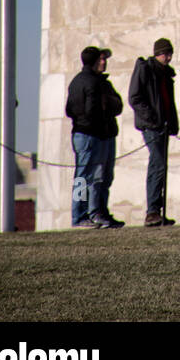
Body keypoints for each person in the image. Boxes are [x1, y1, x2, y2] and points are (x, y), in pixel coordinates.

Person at [129, 37, 179, 227]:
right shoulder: (145, 69)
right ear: (157, 53)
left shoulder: (166, 74)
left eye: (170, 53)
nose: (168, 57)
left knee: (161, 167)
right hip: (152, 127)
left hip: (163, 127)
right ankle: (152, 212)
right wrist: (152, 119)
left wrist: (171, 124)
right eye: (166, 53)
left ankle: (158, 211)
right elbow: (135, 97)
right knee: (157, 165)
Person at [66, 45, 111, 228]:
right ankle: (80, 216)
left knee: (82, 177)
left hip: (78, 132)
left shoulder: (75, 81)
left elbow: (69, 110)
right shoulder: (92, 82)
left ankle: (83, 214)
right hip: (90, 134)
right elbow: (93, 110)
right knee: (85, 178)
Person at [95, 49, 124, 227]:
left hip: (106, 134)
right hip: (89, 136)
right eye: (101, 59)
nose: (104, 62)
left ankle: (101, 211)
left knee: (105, 176)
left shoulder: (104, 84)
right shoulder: (83, 81)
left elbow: (117, 104)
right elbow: (74, 108)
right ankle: (83, 212)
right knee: (84, 178)